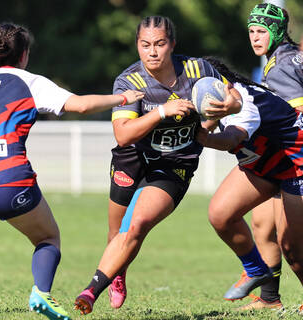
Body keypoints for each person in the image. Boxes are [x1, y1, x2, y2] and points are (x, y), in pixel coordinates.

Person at [73, 15, 243, 315]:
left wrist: (224, 109)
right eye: (145, 45)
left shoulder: (198, 69)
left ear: (172, 44)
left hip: (175, 163)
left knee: (136, 225)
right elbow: (123, 135)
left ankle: (90, 290)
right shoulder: (129, 80)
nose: (152, 52)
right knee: (116, 233)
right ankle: (118, 272)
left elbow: (234, 98)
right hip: (133, 157)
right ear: (138, 46)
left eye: (160, 44)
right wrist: (162, 112)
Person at [0, 22, 144, 320]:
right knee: (47, 238)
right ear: (24, 55)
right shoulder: (28, 81)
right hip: (9, 177)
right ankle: (41, 294)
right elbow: (80, 105)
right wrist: (124, 98)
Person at [196, 57, 303, 310]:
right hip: (265, 166)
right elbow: (206, 125)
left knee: (293, 247)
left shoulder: (244, 102)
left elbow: (232, 138)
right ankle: (259, 279)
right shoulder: (219, 98)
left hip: (296, 165)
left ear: (223, 84)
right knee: (221, 214)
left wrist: (203, 139)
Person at [227, 3, 303, 311]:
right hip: (281, 157)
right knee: (261, 223)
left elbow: (296, 115)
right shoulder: (287, 56)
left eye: (262, 32)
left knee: (292, 243)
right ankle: (270, 298)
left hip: (292, 159)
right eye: (252, 32)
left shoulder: (281, 66)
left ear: (277, 33)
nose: (256, 38)